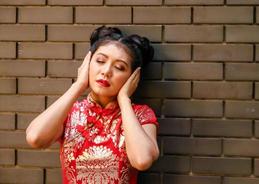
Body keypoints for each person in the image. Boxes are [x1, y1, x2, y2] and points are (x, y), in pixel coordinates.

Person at [26, 26, 160, 184]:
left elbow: (142, 160)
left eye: (119, 67)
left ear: (132, 78)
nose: (106, 71)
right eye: (100, 61)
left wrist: (124, 99)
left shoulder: (140, 115)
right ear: (88, 63)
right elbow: (35, 138)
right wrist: (78, 85)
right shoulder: (70, 112)